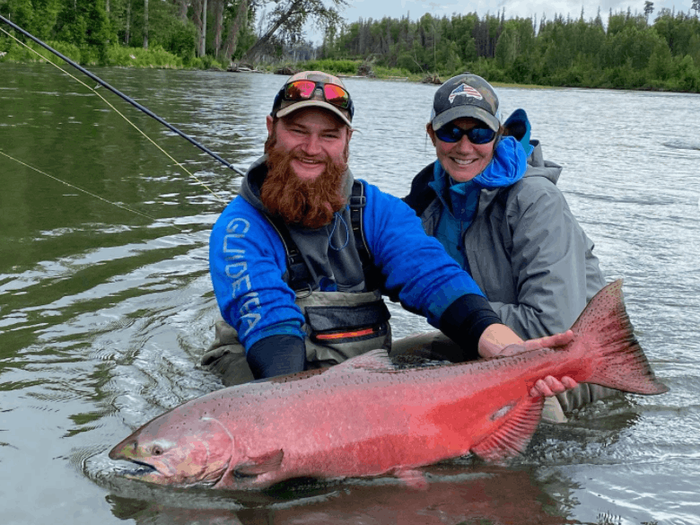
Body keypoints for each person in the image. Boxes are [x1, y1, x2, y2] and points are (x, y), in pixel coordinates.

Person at [202, 70, 576, 403]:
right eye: (298, 131)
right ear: (271, 130)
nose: (312, 149)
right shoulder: (239, 230)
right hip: (267, 373)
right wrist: (298, 420)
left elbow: (433, 278)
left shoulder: (377, 212)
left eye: (329, 135)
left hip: (350, 375)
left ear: (347, 141)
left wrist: (503, 346)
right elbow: (271, 327)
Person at [401, 73, 615, 420]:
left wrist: (453, 309)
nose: (465, 146)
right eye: (451, 132)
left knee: (537, 413)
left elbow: (552, 329)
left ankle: (541, 473)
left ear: (498, 134)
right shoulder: (427, 199)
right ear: (432, 134)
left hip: (574, 367)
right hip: (495, 349)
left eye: (480, 133)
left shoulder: (537, 201)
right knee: (394, 365)